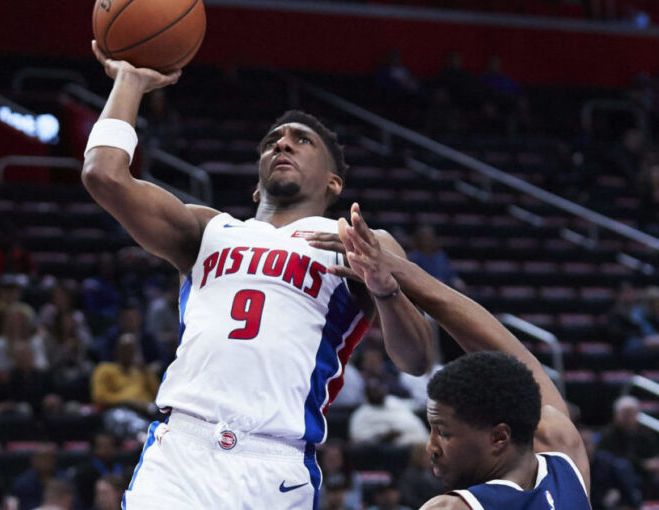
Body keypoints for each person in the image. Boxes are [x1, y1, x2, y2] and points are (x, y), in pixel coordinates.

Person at [82, 41, 433, 509]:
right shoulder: (208, 229)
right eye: (273, 141)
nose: (283, 143)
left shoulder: (359, 241)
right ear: (256, 182)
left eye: (301, 140)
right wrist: (130, 79)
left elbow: (416, 360)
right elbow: (103, 174)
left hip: (275, 462)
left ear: (334, 182)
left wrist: (386, 290)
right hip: (181, 452)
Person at [307, 204, 591, 510]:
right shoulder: (565, 462)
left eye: (443, 432)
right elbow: (515, 358)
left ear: (499, 437)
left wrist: (396, 274)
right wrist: (392, 274)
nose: (431, 447)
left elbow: (509, 353)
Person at [11, 443, 60, 510]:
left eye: (48, 457)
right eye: (41, 458)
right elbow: (24, 506)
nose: (44, 461)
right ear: (33, 460)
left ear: (54, 460)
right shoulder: (22, 483)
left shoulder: (65, 480)